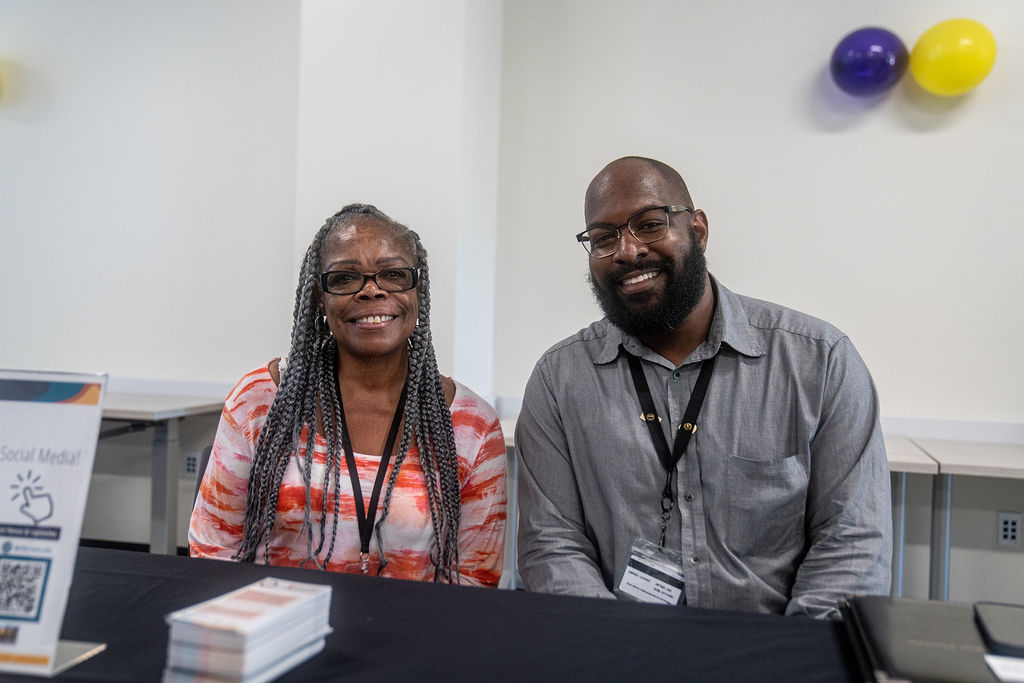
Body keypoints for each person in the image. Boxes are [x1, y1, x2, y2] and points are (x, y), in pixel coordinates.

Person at [515, 157, 891, 617]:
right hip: (618, 654)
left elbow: (852, 542)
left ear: (698, 229)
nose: (627, 251)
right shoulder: (559, 380)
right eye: (603, 238)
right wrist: (613, 653)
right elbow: (551, 543)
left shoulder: (820, 360)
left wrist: (793, 657)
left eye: (650, 224)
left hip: (771, 656)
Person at [190, 204, 506, 586]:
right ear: (320, 299)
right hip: (275, 632)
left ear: (417, 291)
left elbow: (474, 578)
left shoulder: (473, 425)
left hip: (411, 637)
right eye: (344, 278)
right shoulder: (258, 400)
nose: (371, 291)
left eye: (393, 274)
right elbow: (213, 549)